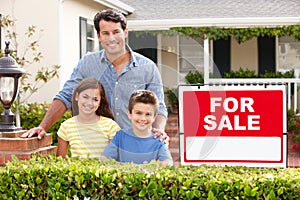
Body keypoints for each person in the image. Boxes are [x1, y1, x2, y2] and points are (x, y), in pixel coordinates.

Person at [21, 9, 169, 141]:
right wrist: (42, 127)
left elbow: (159, 106)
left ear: (125, 32)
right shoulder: (88, 63)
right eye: (105, 33)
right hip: (97, 148)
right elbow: (66, 96)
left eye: (116, 32)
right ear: (98, 36)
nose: (111, 38)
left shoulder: (148, 67)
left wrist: (158, 131)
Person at [102, 90, 173, 167]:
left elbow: (168, 162)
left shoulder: (159, 139)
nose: (143, 118)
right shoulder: (120, 136)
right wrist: (125, 167)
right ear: (129, 113)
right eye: (138, 113)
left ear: (154, 117)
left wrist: (145, 169)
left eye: (148, 114)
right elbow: (104, 158)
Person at [56, 78, 120, 158]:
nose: (89, 103)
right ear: (77, 96)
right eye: (85, 97)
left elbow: (117, 160)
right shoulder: (66, 127)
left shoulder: (111, 126)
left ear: (100, 102)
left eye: (95, 99)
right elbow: (60, 162)